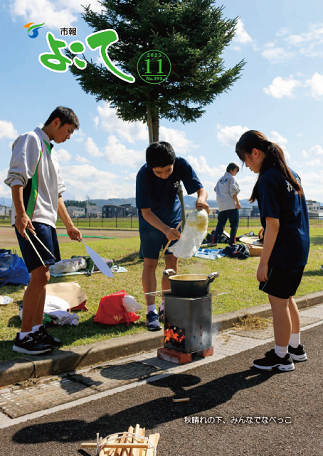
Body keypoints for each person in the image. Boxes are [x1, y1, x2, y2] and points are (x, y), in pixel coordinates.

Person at [4, 106, 82, 355]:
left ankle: (36, 330)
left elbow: (58, 196)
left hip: (47, 221)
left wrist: (69, 225)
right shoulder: (31, 139)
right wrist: (21, 213)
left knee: (44, 277)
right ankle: (24, 337)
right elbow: (17, 178)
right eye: (68, 131)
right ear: (56, 122)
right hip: (32, 219)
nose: (68, 137)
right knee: (39, 276)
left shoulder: (52, 153)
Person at [235, 130, 310, 372]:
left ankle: (281, 356)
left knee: (277, 302)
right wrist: (266, 227)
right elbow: (285, 215)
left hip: (283, 250)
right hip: (299, 247)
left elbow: (275, 224)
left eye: (245, 160)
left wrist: (263, 262)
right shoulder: (291, 173)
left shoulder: (268, 178)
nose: (247, 166)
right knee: (287, 298)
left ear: (255, 153)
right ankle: (295, 348)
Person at [136, 141, 209, 331]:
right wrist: (164, 229)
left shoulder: (182, 164)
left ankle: (165, 306)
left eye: (168, 170)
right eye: (158, 172)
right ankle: (151, 310)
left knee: (171, 262)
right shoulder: (143, 175)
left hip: (174, 218)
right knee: (150, 263)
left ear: (173, 162)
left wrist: (201, 199)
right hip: (151, 222)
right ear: (150, 167)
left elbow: (202, 189)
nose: (164, 175)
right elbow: (145, 212)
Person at [213, 163, 241, 245]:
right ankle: (232, 241)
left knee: (220, 224)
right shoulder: (232, 178)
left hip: (222, 206)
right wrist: (238, 203)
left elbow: (215, 189)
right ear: (231, 170)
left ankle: (214, 241)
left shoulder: (220, 179)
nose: (236, 173)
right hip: (231, 205)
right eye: (236, 171)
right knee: (234, 225)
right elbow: (233, 191)